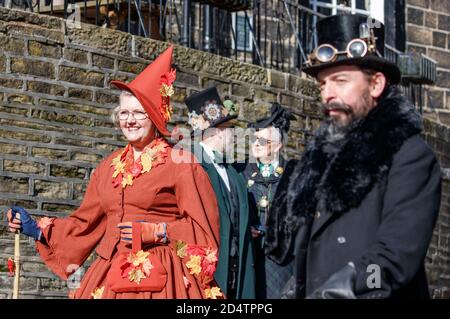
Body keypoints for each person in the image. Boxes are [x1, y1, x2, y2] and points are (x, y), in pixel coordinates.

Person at [6, 46, 222, 299]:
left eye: (138, 113)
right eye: (124, 113)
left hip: (165, 279)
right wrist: (37, 228)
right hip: (110, 275)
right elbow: (85, 223)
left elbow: (204, 230)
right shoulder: (108, 167)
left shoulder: (181, 163)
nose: (129, 120)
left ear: (154, 117)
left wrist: (160, 231)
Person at [266, 14, 441, 299]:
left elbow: (393, 260)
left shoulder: (410, 156)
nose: (327, 94)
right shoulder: (321, 160)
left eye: (340, 80)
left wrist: (347, 286)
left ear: (376, 85)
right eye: (323, 84)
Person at [184, 87, 256, 299]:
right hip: (207, 267)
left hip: (236, 266)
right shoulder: (191, 163)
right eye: (231, 128)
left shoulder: (232, 171)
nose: (234, 134)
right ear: (218, 130)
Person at [238, 103, 297, 299]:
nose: (256, 144)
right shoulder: (241, 171)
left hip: (281, 258)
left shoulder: (293, 173)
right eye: (255, 139)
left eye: (263, 141)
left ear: (278, 145)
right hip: (249, 256)